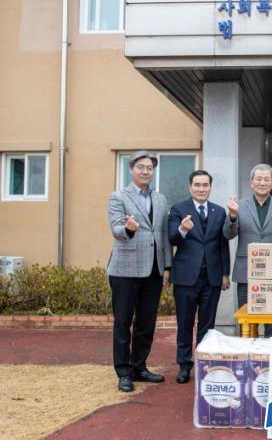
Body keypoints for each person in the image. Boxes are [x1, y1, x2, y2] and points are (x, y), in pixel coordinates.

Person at [106, 150, 172, 392]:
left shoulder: (161, 199)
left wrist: (167, 266)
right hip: (125, 269)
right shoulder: (118, 197)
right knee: (123, 322)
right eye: (141, 167)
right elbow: (116, 229)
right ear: (131, 169)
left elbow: (163, 235)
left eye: (149, 168)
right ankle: (123, 372)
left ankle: (139, 366)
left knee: (146, 322)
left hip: (154, 269)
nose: (145, 171)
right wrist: (128, 228)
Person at [168, 170, 230, 384]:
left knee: (207, 325)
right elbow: (172, 238)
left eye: (205, 185)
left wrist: (225, 273)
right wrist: (182, 230)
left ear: (210, 187)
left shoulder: (219, 211)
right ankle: (184, 366)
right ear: (190, 186)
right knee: (185, 323)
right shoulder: (178, 209)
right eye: (197, 185)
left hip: (212, 277)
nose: (201, 189)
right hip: (186, 277)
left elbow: (223, 245)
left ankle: (205, 365)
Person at [224, 163, 272, 337]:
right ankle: (247, 351)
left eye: (266, 179)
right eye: (258, 179)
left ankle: (271, 350)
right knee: (247, 318)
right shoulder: (239, 206)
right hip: (246, 270)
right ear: (251, 183)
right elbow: (228, 234)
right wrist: (232, 216)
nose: (262, 183)